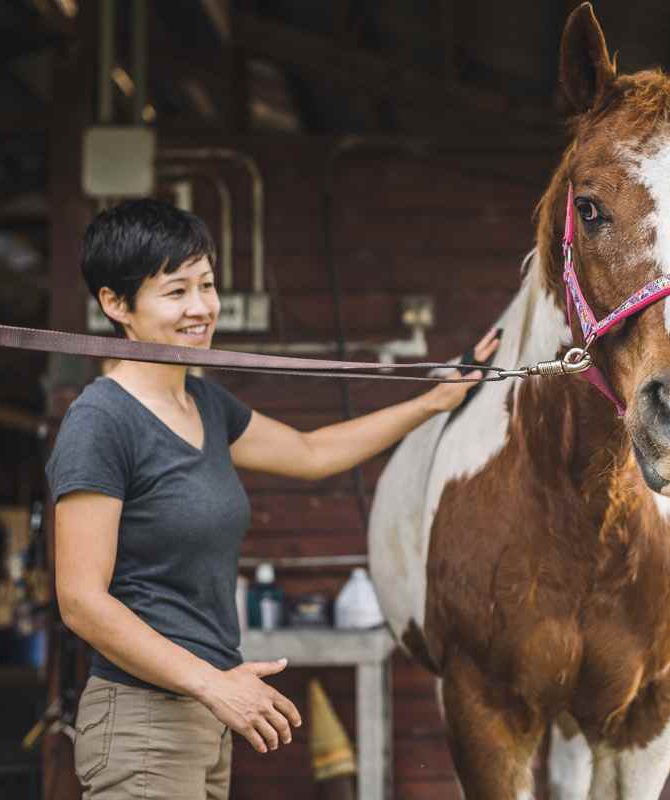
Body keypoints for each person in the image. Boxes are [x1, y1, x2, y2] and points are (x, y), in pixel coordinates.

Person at [46, 199, 498, 799]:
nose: (201, 308)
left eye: (206, 285)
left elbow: (310, 452)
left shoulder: (204, 403)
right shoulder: (100, 421)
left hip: (204, 714)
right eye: (175, 291)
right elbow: (80, 600)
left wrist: (430, 402)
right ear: (116, 304)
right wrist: (214, 684)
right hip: (142, 720)